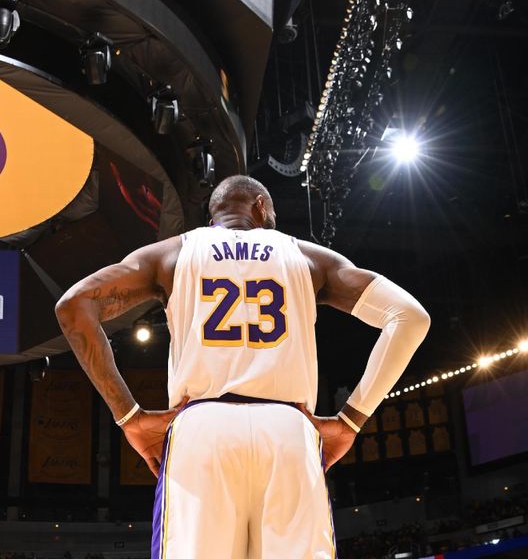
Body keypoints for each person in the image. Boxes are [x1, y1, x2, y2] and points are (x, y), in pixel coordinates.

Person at [55, 175, 430, 558]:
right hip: (289, 430)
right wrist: (351, 419)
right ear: (262, 209)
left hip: (202, 428)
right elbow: (411, 317)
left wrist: (128, 416)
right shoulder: (309, 258)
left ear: (212, 214)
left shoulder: (170, 254)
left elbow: (73, 306)